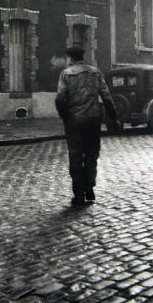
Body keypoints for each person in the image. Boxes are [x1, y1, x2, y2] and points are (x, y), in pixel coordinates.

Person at [55, 45, 121, 206]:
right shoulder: (95, 72)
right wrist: (114, 117)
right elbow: (106, 96)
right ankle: (89, 187)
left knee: (76, 156)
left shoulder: (66, 74)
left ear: (70, 58)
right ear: (83, 57)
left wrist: (66, 117)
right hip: (93, 119)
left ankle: (78, 195)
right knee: (92, 155)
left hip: (75, 121)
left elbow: (60, 99)